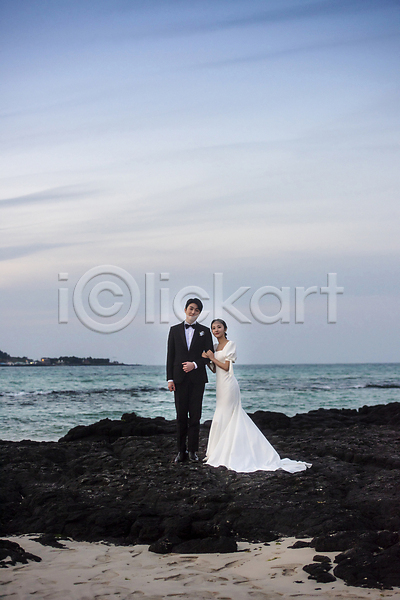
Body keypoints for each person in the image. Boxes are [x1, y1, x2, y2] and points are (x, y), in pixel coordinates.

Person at [202, 319, 312, 473]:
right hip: (219, 386)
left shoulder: (230, 344)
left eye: (219, 327)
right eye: (213, 328)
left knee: (230, 415)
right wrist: (208, 360)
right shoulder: (214, 347)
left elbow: (226, 367)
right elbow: (215, 369)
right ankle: (219, 451)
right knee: (221, 415)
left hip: (229, 385)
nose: (216, 330)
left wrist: (212, 358)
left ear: (225, 329)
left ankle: (232, 452)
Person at [167, 298, 213, 463]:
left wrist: (195, 364)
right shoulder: (174, 330)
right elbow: (170, 356)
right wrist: (170, 379)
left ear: (199, 313)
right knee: (180, 417)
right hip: (179, 379)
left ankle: (193, 451)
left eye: (197, 310)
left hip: (197, 379)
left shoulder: (204, 331)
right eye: (191, 308)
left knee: (195, 416)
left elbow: (209, 355)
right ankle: (181, 451)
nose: (193, 312)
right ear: (185, 309)